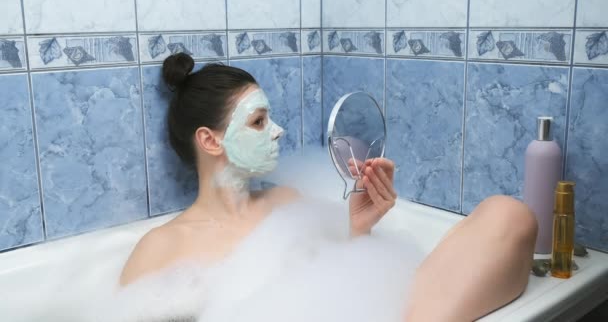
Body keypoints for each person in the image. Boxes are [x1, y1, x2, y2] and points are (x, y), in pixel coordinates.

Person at [120, 53, 538, 321]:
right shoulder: (161, 249)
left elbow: (348, 290)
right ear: (209, 140)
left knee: (509, 214)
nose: (278, 131)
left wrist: (360, 229)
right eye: (258, 121)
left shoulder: (289, 204)